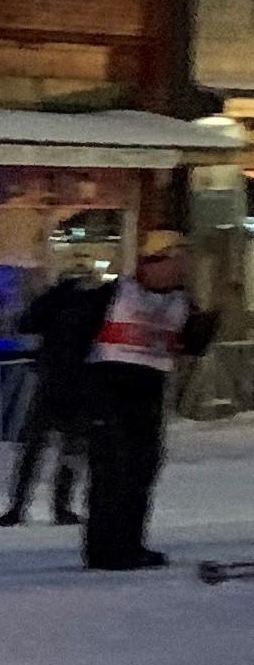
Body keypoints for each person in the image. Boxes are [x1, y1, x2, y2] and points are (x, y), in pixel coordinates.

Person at [79, 231, 217, 571]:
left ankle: (130, 544)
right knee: (112, 471)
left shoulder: (182, 301)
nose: (180, 270)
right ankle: (104, 550)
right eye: (175, 262)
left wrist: (209, 319)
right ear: (154, 262)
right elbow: (77, 335)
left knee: (141, 470)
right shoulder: (115, 293)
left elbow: (192, 345)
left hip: (149, 392)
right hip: (108, 389)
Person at [0, 267, 102, 528]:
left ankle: (18, 507)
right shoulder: (96, 305)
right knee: (71, 449)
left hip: (51, 380)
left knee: (33, 448)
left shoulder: (54, 301)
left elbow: (26, 323)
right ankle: (61, 507)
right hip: (80, 383)